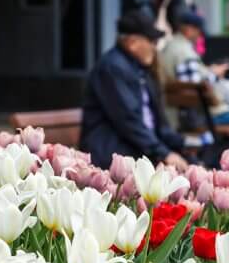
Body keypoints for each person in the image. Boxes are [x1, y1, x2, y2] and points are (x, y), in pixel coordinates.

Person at [80, 10, 189, 171]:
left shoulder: (138, 68)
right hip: (115, 154)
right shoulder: (113, 67)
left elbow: (156, 122)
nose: (155, 46)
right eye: (152, 40)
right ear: (132, 42)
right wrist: (164, 153)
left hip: (138, 149)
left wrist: (182, 144)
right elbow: (129, 120)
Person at [157, 11, 229, 129]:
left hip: (176, 111)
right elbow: (193, 88)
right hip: (190, 116)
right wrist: (213, 75)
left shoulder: (170, 46)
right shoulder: (185, 52)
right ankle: (217, 147)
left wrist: (208, 70)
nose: (200, 36)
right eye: (198, 32)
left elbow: (189, 78)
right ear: (188, 29)